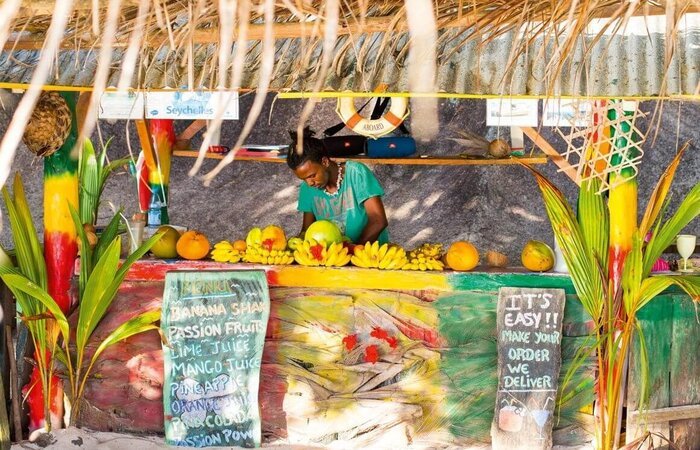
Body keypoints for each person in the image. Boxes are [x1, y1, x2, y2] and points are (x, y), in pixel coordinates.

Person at [286, 128, 389, 245]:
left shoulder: (356, 173)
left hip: (369, 256)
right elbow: (307, 231)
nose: (309, 183)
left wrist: (353, 251)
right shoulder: (307, 188)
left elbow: (378, 220)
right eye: (304, 179)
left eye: (312, 176)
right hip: (334, 259)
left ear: (324, 162)